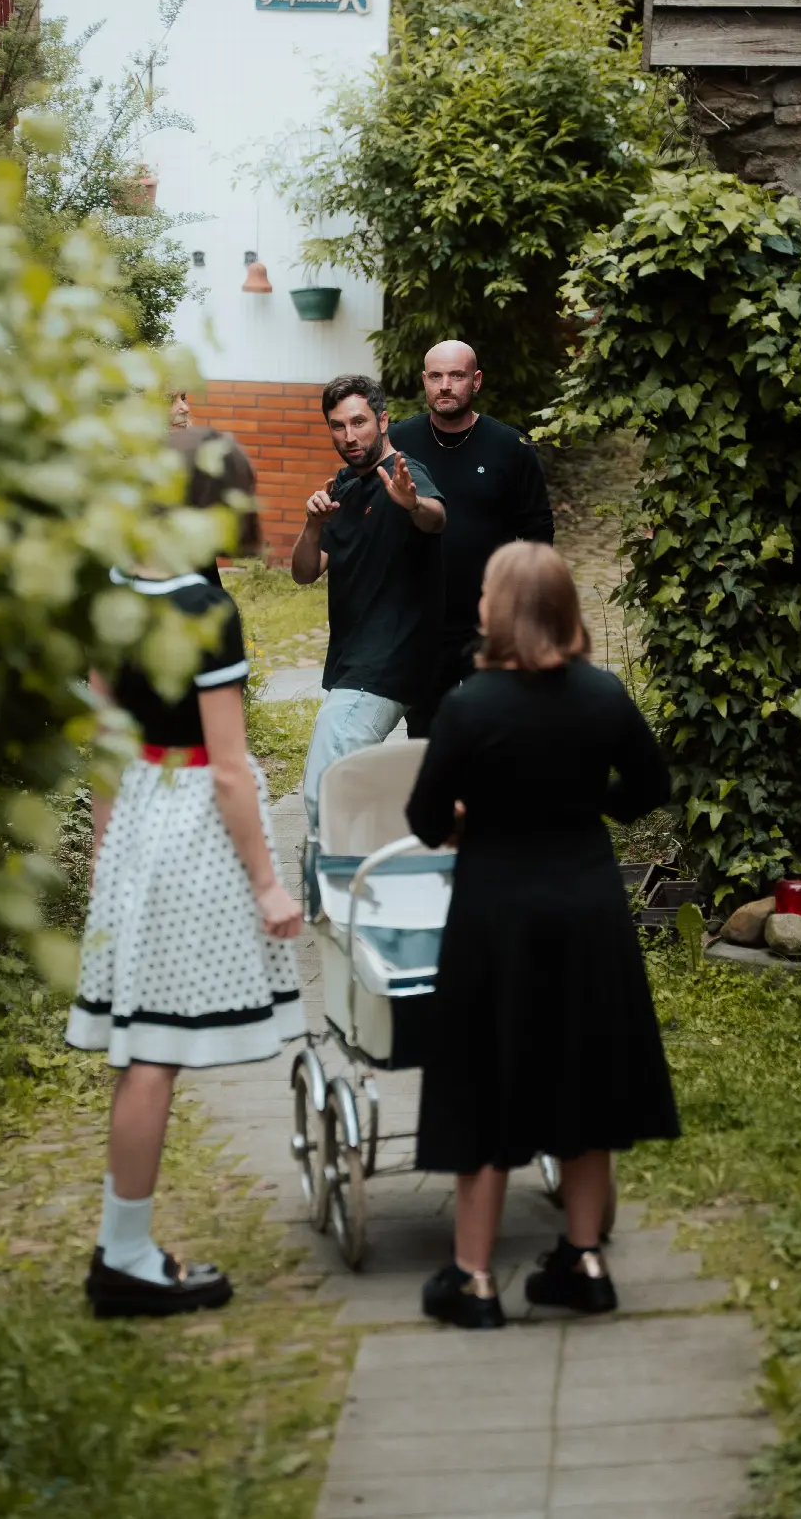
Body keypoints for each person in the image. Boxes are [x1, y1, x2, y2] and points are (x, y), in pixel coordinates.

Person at [405, 541, 679, 1330]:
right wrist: (594, 806)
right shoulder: (602, 695)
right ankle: (583, 1262)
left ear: (500, 609)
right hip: (588, 907)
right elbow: (651, 787)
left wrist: (469, 817)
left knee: (487, 1086)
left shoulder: (470, 705)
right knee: (585, 1079)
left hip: (497, 915)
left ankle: (474, 1279)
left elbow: (425, 819)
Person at [68, 427, 304, 1320]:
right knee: (154, 1051)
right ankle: (123, 1259)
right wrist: (268, 886)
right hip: (190, 824)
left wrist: (102, 851)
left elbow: (104, 739)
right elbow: (232, 768)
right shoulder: (205, 609)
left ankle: (122, 1246)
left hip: (134, 819)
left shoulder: (114, 596)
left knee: (142, 1049)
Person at [293, 374, 445, 829]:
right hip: (353, 662)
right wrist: (313, 523)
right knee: (346, 792)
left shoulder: (405, 474)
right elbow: (304, 572)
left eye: (359, 422)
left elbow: (435, 519)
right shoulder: (342, 485)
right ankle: (375, 883)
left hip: (388, 663)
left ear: (382, 419)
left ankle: (340, 897)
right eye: (337, 425)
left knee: (328, 788)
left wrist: (412, 504)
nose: (349, 435)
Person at [389, 340, 553, 737]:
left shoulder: (510, 448)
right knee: (427, 738)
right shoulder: (397, 442)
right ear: (424, 381)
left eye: (457, 375)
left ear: (475, 381)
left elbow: (538, 536)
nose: (446, 385)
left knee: (495, 734)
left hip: (491, 623)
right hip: (421, 623)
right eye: (436, 376)